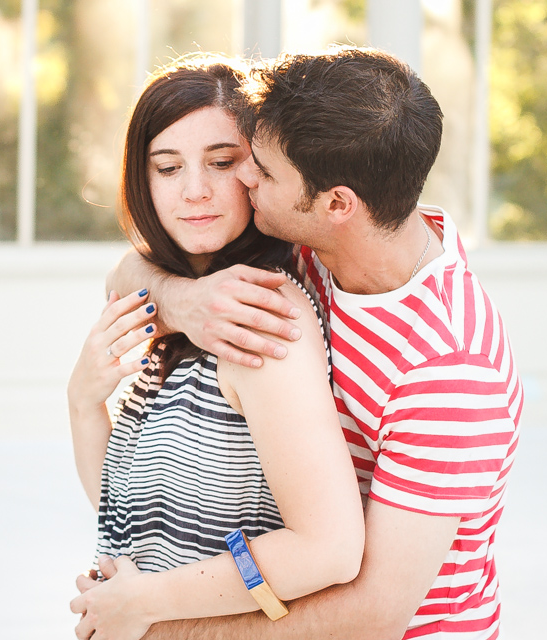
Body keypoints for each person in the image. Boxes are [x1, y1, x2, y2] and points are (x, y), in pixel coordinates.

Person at [89, 46, 523, 640]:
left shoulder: (450, 372)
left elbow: (371, 614)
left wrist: (154, 624)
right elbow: (126, 273)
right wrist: (183, 302)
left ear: (337, 204)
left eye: (260, 171)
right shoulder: (321, 245)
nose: (240, 180)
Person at [67, 54, 366, 640]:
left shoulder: (259, 318)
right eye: (168, 167)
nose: (195, 191)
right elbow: (129, 511)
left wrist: (144, 602)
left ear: (255, 171)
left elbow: (328, 548)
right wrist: (83, 402)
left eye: (221, 162)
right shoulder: (183, 308)